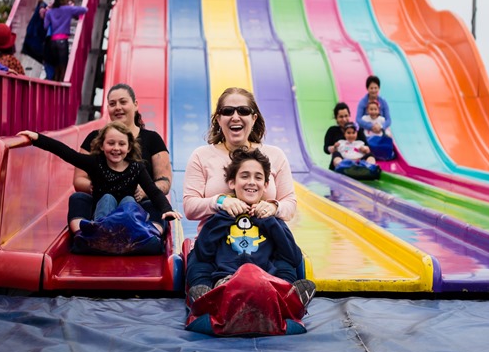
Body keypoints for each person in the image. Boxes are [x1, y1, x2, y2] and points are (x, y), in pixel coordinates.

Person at [186, 147, 315, 307]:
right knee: (199, 265)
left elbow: (292, 256)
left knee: (285, 266)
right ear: (232, 182)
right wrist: (224, 217)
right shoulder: (221, 217)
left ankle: (286, 297)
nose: (252, 182)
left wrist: (268, 221)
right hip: (228, 280)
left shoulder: (270, 218)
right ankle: (208, 299)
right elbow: (203, 252)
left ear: (266, 185)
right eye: (245, 176)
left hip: (267, 280)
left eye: (258, 177)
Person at [17, 122, 181, 239]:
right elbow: (66, 153)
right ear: (102, 146)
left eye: (121, 144)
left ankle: (126, 232)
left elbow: (153, 190)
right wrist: (37, 138)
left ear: (129, 147)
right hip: (103, 215)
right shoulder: (95, 163)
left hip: (127, 221)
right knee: (106, 198)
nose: (116, 148)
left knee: (129, 199)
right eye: (111, 143)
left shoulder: (136, 167)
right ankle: (101, 232)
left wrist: (166, 209)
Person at [183, 87, 297, 231]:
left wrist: (273, 207)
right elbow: (189, 207)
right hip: (216, 246)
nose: (235, 117)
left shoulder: (275, 155)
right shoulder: (201, 156)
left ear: (253, 118)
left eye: (243, 111)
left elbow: (290, 204)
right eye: (227, 111)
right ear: (218, 119)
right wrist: (220, 202)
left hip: (265, 244)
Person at [70, 83, 173, 233]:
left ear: (135, 104)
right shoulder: (94, 138)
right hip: (101, 202)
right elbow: (79, 180)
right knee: (78, 198)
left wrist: (144, 191)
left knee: (153, 203)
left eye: (123, 102)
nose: (117, 107)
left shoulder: (152, 139)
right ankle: (84, 235)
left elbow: (165, 181)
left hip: (139, 207)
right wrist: (99, 185)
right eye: (112, 104)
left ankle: (150, 234)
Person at [44, 0, 87, 81]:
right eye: (67, 1)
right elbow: (84, 10)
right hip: (63, 41)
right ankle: (62, 88)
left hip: (52, 42)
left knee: (56, 67)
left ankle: (55, 88)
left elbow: (45, 26)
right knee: (63, 67)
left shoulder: (50, 12)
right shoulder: (68, 9)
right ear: (62, 1)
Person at [323, 101, 367, 170]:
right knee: (336, 154)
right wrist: (333, 147)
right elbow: (326, 149)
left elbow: (367, 146)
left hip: (357, 160)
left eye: (346, 116)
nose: (344, 119)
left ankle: (370, 168)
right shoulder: (332, 131)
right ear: (336, 118)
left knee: (370, 155)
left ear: (349, 115)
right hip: (340, 160)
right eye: (341, 117)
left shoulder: (358, 130)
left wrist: (364, 149)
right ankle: (342, 167)